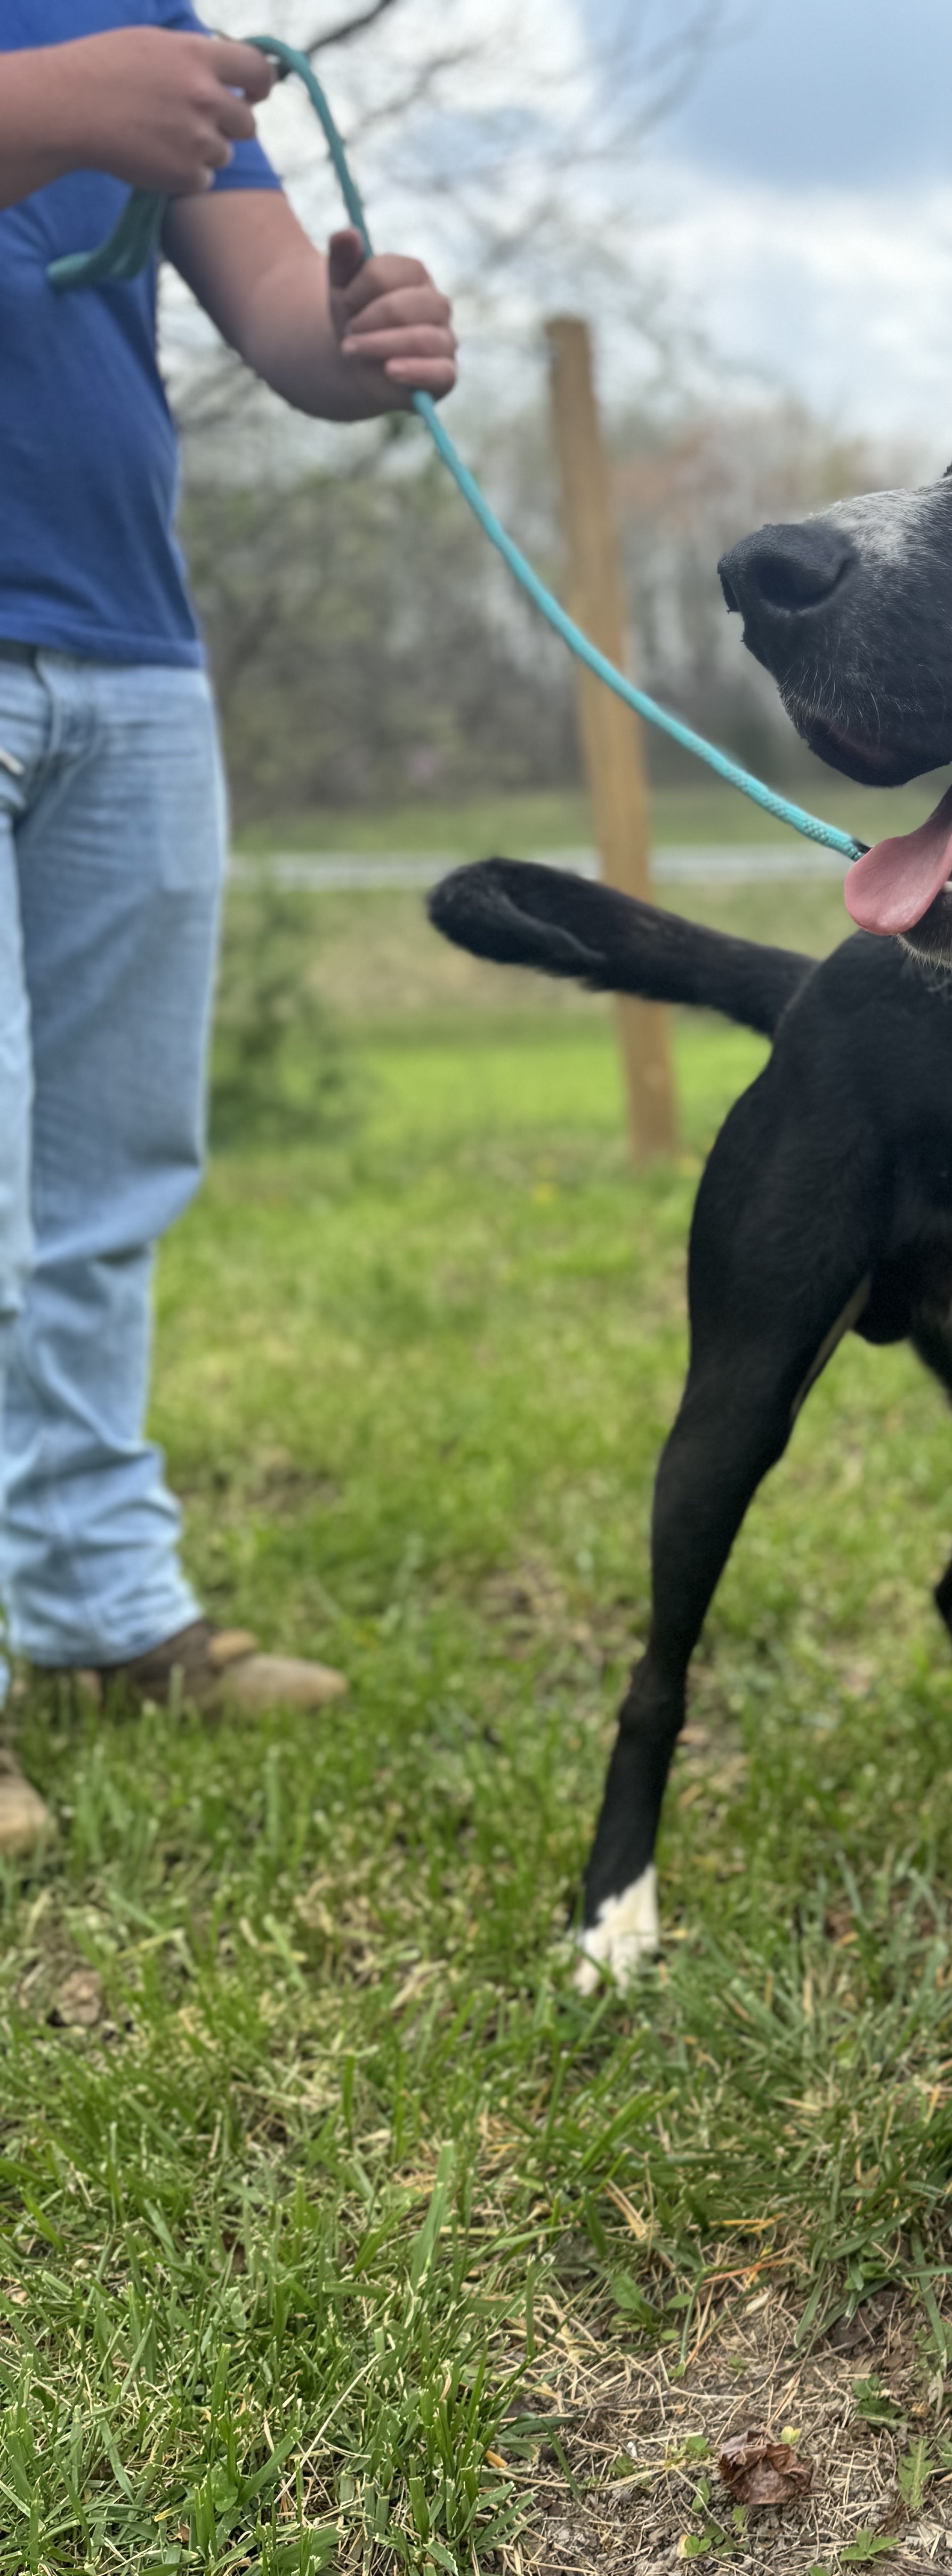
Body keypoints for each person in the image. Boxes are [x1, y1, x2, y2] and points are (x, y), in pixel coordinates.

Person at [0, 4, 457, 1850]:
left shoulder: (137, 13)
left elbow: (277, 312)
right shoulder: (88, 61)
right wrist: (44, 107)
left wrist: (361, 342)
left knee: (110, 1177)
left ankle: (101, 1610)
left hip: (126, 648)